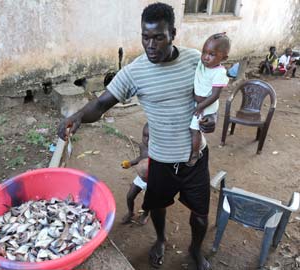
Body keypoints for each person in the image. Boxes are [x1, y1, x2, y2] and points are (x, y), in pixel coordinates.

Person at [58, 3, 216, 269]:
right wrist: (76, 117)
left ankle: (195, 250)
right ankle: (161, 240)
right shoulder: (135, 71)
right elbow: (100, 104)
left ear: (173, 34)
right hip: (161, 161)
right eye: (146, 37)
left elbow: (212, 97)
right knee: (157, 205)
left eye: (158, 37)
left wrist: (211, 117)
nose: (151, 45)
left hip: (194, 158)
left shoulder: (194, 61)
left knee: (200, 215)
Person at [187, 33, 230, 167]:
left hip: (207, 105)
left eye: (212, 54)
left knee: (194, 129)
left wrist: (200, 107)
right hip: (200, 103)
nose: (206, 57)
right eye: (204, 52)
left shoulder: (219, 72)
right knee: (194, 128)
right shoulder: (202, 63)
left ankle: (195, 153)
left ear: (224, 57)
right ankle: (195, 149)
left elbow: (215, 95)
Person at [120, 122, 149, 225]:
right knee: (130, 196)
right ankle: (130, 212)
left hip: (154, 181)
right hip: (141, 177)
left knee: (148, 202)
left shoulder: (160, 151)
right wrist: (129, 163)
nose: (147, 140)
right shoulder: (142, 146)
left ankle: (145, 214)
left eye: (151, 137)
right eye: (145, 136)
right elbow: (140, 158)